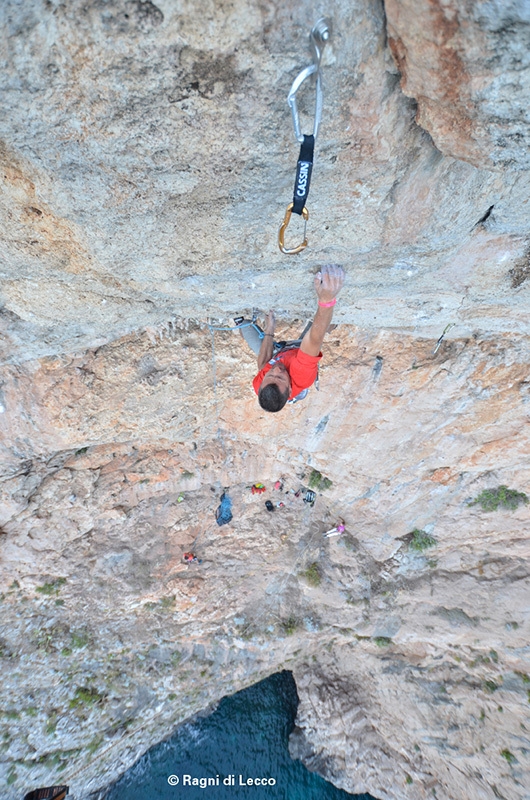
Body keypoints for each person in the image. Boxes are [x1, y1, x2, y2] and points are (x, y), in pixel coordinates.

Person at [236, 265, 345, 412]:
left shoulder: (260, 386)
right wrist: (326, 300)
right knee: (322, 325)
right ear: (289, 390)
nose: (276, 370)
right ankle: (332, 325)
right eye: (280, 378)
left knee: (244, 326)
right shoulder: (302, 375)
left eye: (270, 375)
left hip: (279, 352)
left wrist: (270, 329)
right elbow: (314, 339)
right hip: (297, 352)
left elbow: (263, 365)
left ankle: (242, 324)